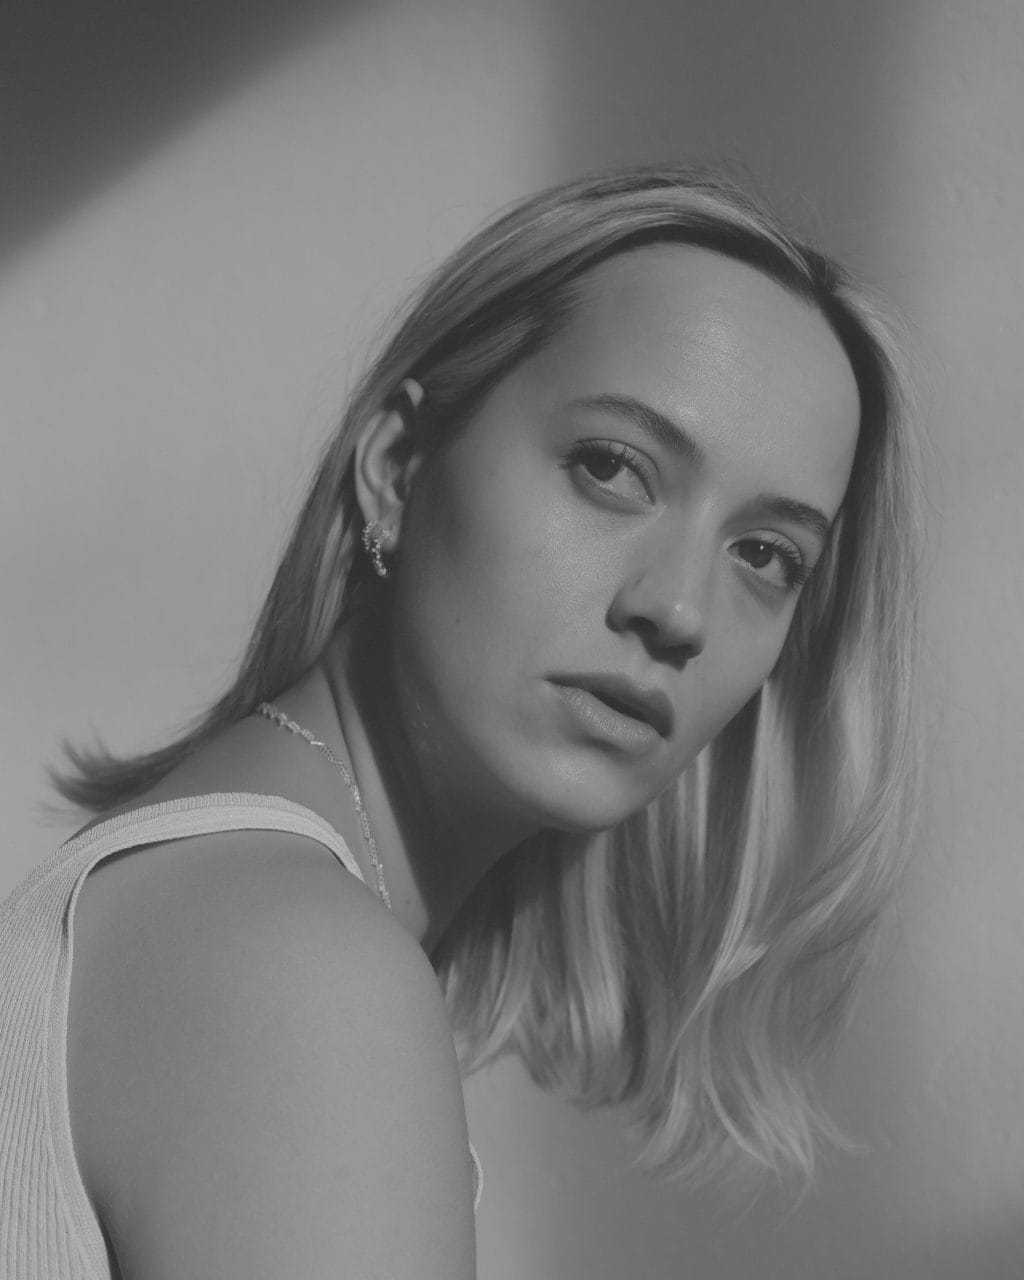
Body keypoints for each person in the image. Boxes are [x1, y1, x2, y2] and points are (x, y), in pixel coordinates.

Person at [0, 165, 921, 1279]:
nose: (679, 609)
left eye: (765, 554)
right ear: (396, 469)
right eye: (611, 468)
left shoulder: (209, 901)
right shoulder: (298, 968)